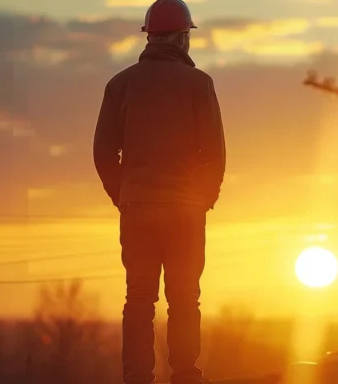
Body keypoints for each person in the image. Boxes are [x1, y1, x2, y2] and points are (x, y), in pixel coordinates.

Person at [92, 1, 225, 383]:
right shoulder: (200, 85)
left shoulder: (120, 84)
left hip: (138, 210)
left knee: (139, 299)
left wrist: (125, 195)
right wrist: (204, 198)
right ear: (183, 38)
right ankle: (185, 375)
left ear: (150, 37)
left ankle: (137, 378)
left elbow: (103, 152)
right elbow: (214, 153)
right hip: (186, 210)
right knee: (184, 299)